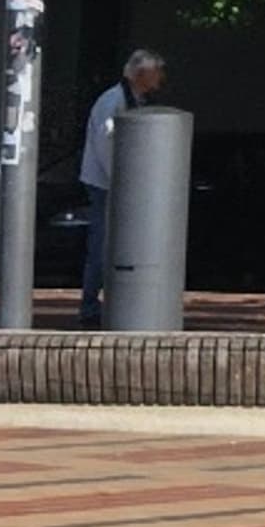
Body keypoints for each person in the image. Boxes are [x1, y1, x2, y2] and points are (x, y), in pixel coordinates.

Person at [78, 50, 166, 329]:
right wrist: (122, 184)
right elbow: (106, 146)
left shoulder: (134, 99)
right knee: (102, 246)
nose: (161, 79)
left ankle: (107, 302)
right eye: (157, 73)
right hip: (108, 186)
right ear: (141, 75)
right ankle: (90, 306)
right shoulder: (114, 101)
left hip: (119, 185)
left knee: (114, 246)